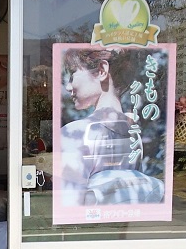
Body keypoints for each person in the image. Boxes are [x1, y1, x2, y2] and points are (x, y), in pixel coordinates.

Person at [58, 47, 165, 207]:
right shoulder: (133, 133)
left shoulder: (74, 132)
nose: (68, 87)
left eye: (73, 75)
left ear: (102, 70)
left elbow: (69, 206)